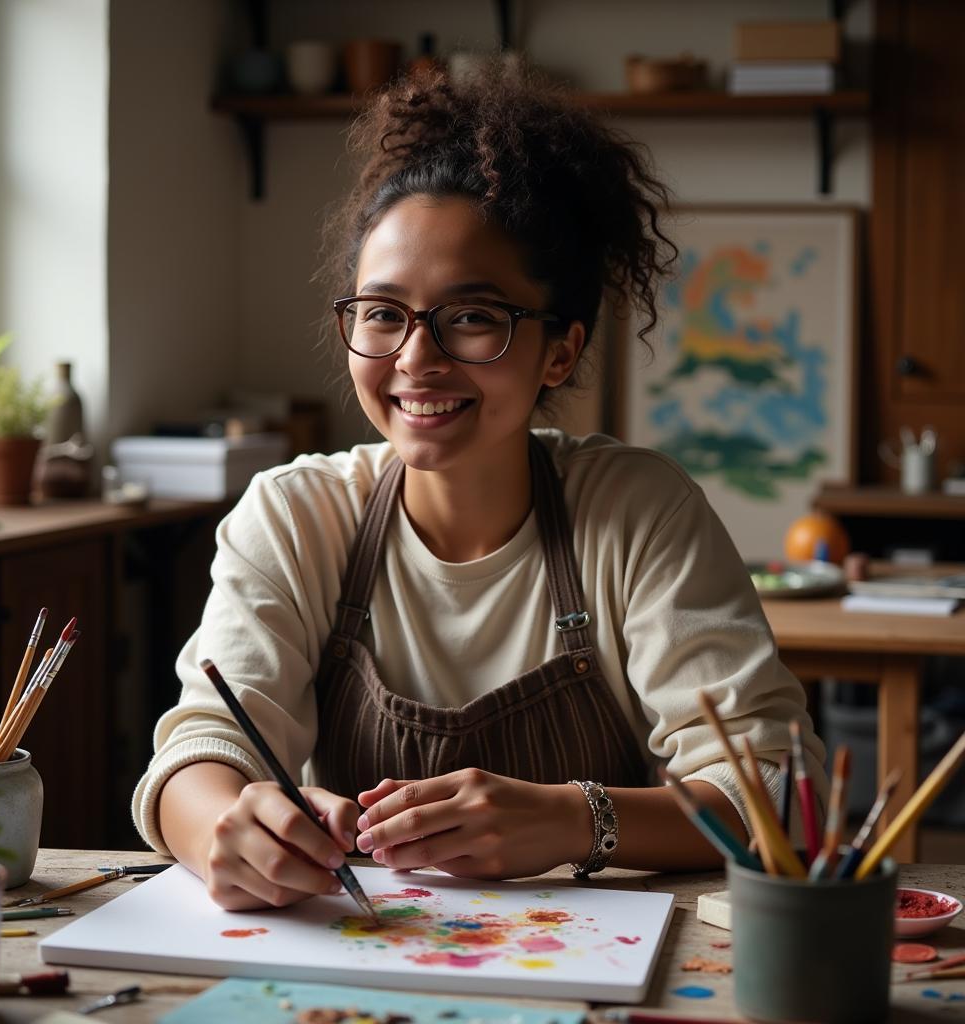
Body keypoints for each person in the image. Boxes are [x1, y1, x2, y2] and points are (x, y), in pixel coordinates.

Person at [133, 64, 827, 912]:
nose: (416, 360)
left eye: (472, 317)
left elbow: (778, 792)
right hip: (364, 966)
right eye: (384, 313)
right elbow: (199, 754)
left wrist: (579, 820)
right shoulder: (296, 515)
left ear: (561, 352)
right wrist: (227, 833)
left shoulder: (635, 512)